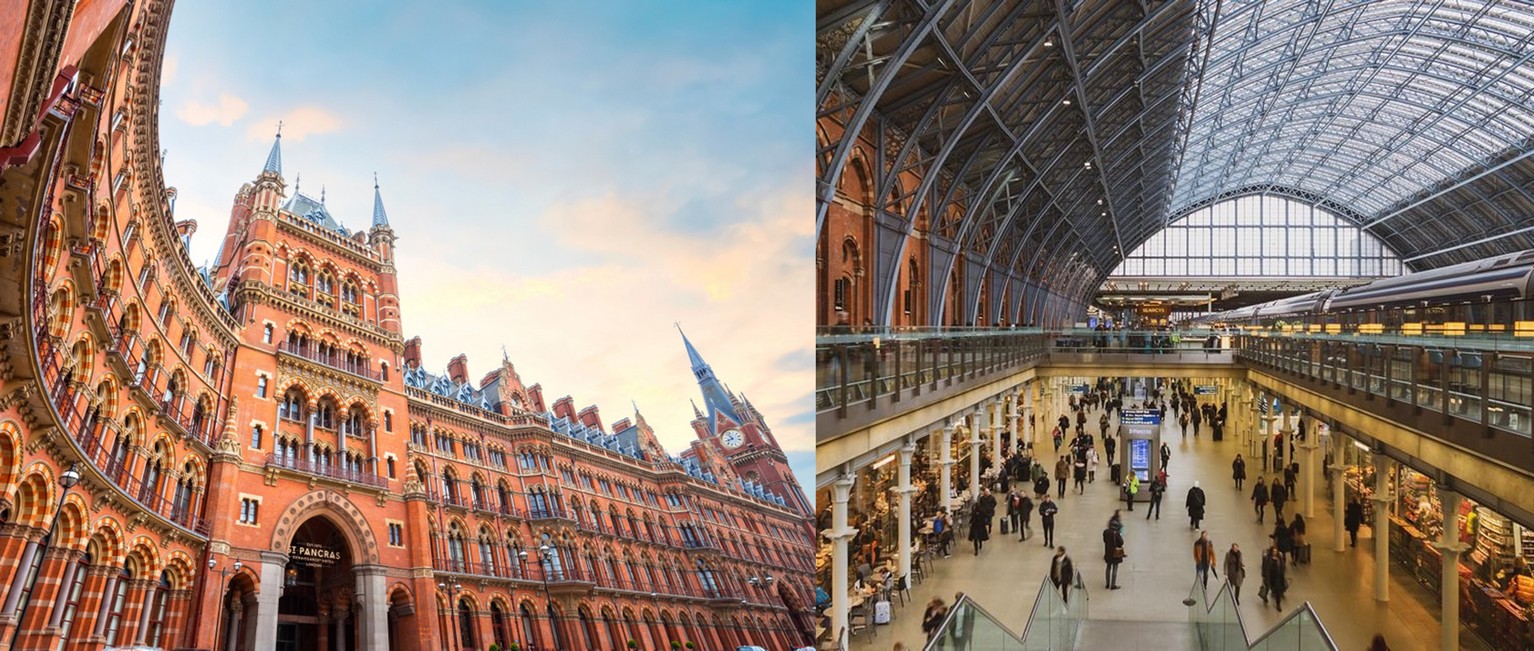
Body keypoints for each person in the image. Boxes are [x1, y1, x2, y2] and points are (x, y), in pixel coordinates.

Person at [1263, 540, 1288, 611]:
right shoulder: (1267, 558)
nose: (1274, 553)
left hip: (1278, 577)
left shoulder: (1279, 559)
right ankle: (1265, 596)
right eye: (1273, 551)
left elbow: (1282, 567)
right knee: (1267, 587)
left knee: (1278, 590)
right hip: (1270, 576)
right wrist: (1265, 576)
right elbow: (1265, 568)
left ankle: (1278, 604)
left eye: (1275, 551)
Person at [1103, 517, 1125, 590]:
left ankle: (1107, 583)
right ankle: (1113, 585)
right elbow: (1121, 542)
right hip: (1115, 553)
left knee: (1108, 567)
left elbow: (1104, 540)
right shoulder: (1117, 533)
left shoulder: (1105, 532)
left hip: (1108, 552)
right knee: (1115, 568)